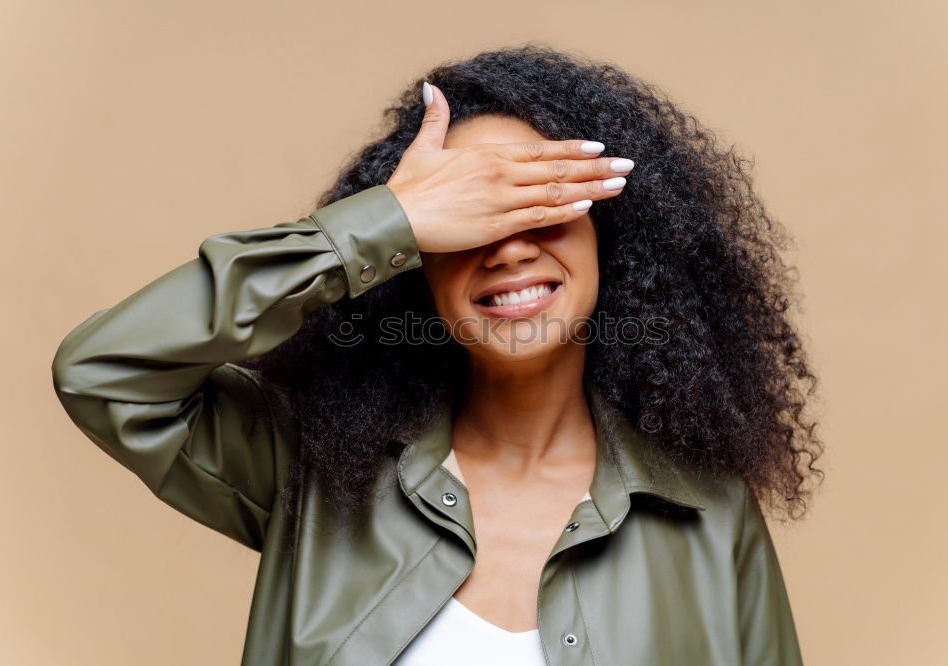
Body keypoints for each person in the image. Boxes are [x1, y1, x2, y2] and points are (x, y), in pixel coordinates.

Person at [51, 45, 822, 665]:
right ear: (414, 263)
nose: (510, 248)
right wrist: (384, 221)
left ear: (611, 242)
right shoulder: (313, 468)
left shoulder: (706, 510)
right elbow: (105, 371)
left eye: (543, 203)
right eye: (468, 218)